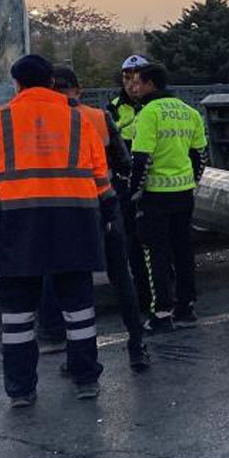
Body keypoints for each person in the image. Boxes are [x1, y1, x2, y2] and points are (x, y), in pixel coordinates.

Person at [0, 54, 110, 407]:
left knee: (17, 315)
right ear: (50, 82)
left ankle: (21, 390)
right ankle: (86, 378)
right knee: (78, 310)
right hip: (74, 224)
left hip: (18, 227)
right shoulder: (79, 120)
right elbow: (102, 182)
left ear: (16, 84)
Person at [39, 67, 150, 372]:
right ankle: (137, 346)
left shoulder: (47, 123)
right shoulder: (99, 117)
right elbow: (124, 163)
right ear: (79, 89)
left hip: (68, 212)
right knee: (120, 276)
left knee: (74, 284)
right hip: (106, 204)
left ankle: (77, 357)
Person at [126, 63, 208, 332]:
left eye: (138, 82)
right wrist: (191, 182)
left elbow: (141, 159)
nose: (134, 88)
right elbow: (199, 156)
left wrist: (133, 193)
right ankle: (186, 307)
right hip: (184, 194)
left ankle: (161, 312)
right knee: (183, 251)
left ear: (151, 84)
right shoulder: (189, 112)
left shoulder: (148, 113)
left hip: (155, 197)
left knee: (156, 255)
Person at [106, 54, 154, 313]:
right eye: (127, 78)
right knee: (132, 240)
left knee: (156, 240)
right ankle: (142, 293)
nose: (132, 84)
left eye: (137, 78)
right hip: (125, 181)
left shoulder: (157, 105)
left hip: (155, 180)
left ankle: (162, 287)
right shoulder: (113, 106)